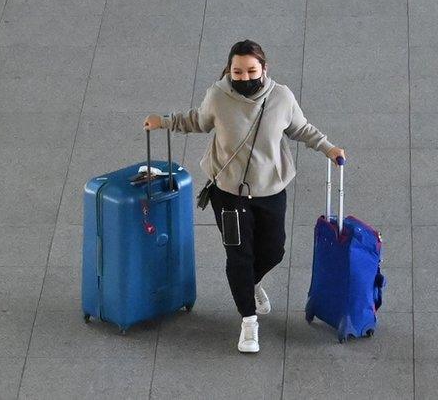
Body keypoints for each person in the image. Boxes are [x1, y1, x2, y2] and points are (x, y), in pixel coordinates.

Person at [143, 40, 346, 354]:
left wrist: (328, 148)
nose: (244, 76)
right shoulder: (218, 96)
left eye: (251, 70)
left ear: (264, 68)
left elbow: (302, 128)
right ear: (229, 70)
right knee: (239, 257)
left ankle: (251, 284)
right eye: (237, 71)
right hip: (229, 193)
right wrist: (165, 122)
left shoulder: (281, 97)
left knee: (274, 250)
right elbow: (196, 120)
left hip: (270, 191)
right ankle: (248, 322)